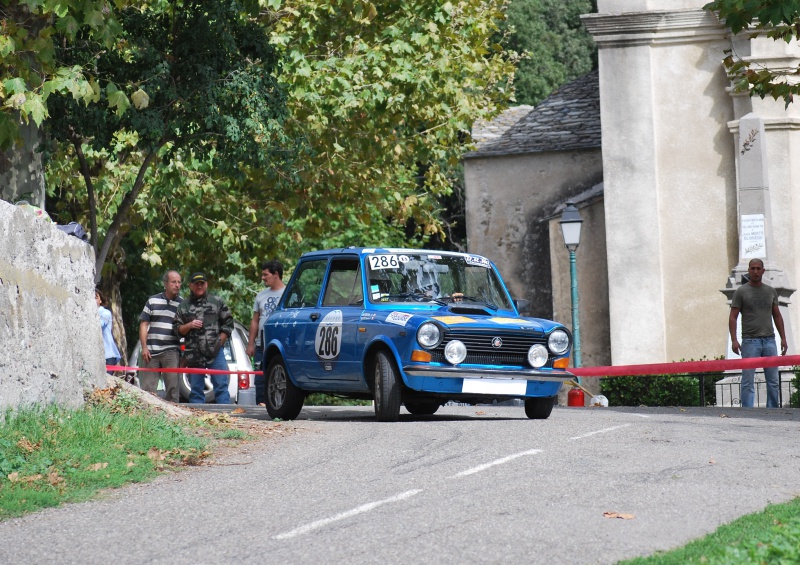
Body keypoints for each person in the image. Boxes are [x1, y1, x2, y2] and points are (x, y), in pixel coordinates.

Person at [729, 258, 788, 408]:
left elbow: (777, 315)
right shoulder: (741, 292)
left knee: (773, 381)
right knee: (748, 381)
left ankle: (772, 411)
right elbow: (733, 317)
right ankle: (748, 413)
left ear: (763, 271)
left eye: (758, 268)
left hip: (769, 340)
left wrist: (783, 338)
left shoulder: (770, 291)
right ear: (748, 270)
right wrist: (734, 340)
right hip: (750, 341)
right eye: (752, 268)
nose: (755, 271)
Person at [173, 272, 234, 404]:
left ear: (206, 284)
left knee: (221, 387)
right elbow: (177, 330)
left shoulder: (217, 302)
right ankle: (198, 421)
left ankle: (226, 419)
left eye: (202, 283)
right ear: (190, 286)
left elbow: (228, 324)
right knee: (195, 390)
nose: (199, 286)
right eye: (196, 284)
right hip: (194, 354)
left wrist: (219, 343)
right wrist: (189, 325)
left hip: (216, 353)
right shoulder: (184, 306)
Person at [138, 270, 183, 402]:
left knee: (173, 390)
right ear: (165, 284)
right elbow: (144, 324)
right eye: (173, 282)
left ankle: (174, 418)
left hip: (172, 351)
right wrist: (144, 347)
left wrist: (184, 353)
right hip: (151, 351)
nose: (177, 285)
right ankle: (147, 418)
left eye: (179, 282)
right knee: (147, 390)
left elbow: (185, 330)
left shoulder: (183, 304)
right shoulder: (153, 301)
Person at [246, 259, 286, 405]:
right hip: (261, 345)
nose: (262, 278)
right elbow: (255, 320)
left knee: (281, 375)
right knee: (260, 377)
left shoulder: (289, 293)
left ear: (276, 274)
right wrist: (250, 343)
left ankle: (279, 405)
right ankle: (261, 405)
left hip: (282, 344)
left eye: (265, 275)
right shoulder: (260, 296)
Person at [95, 288, 121, 367]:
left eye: (95, 298)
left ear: (100, 300)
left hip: (107, 355)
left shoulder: (105, 313)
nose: (92, 300)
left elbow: (99, 325)